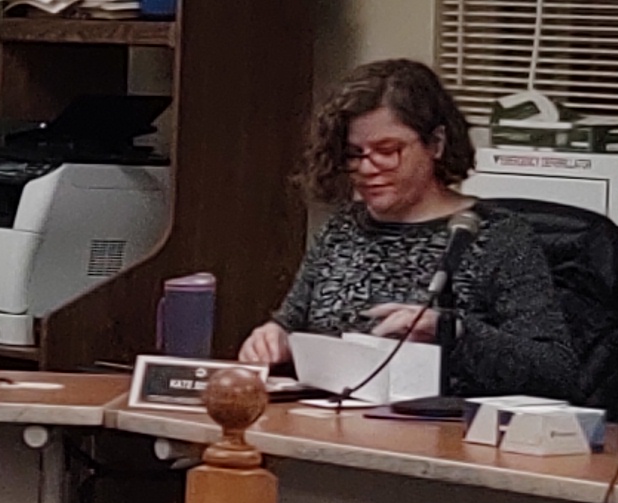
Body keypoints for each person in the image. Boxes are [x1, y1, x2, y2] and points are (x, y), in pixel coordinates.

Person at [236, 59, 583, 402]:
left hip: (443, 439)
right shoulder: (343, 229)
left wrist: (451, 331)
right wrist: (273, 338)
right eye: (354, 154)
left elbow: (555, 371)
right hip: (332, 425)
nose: (367, 168)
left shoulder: (496, 237)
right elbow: (290, 323)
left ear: (435, 143)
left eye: (388, 151)